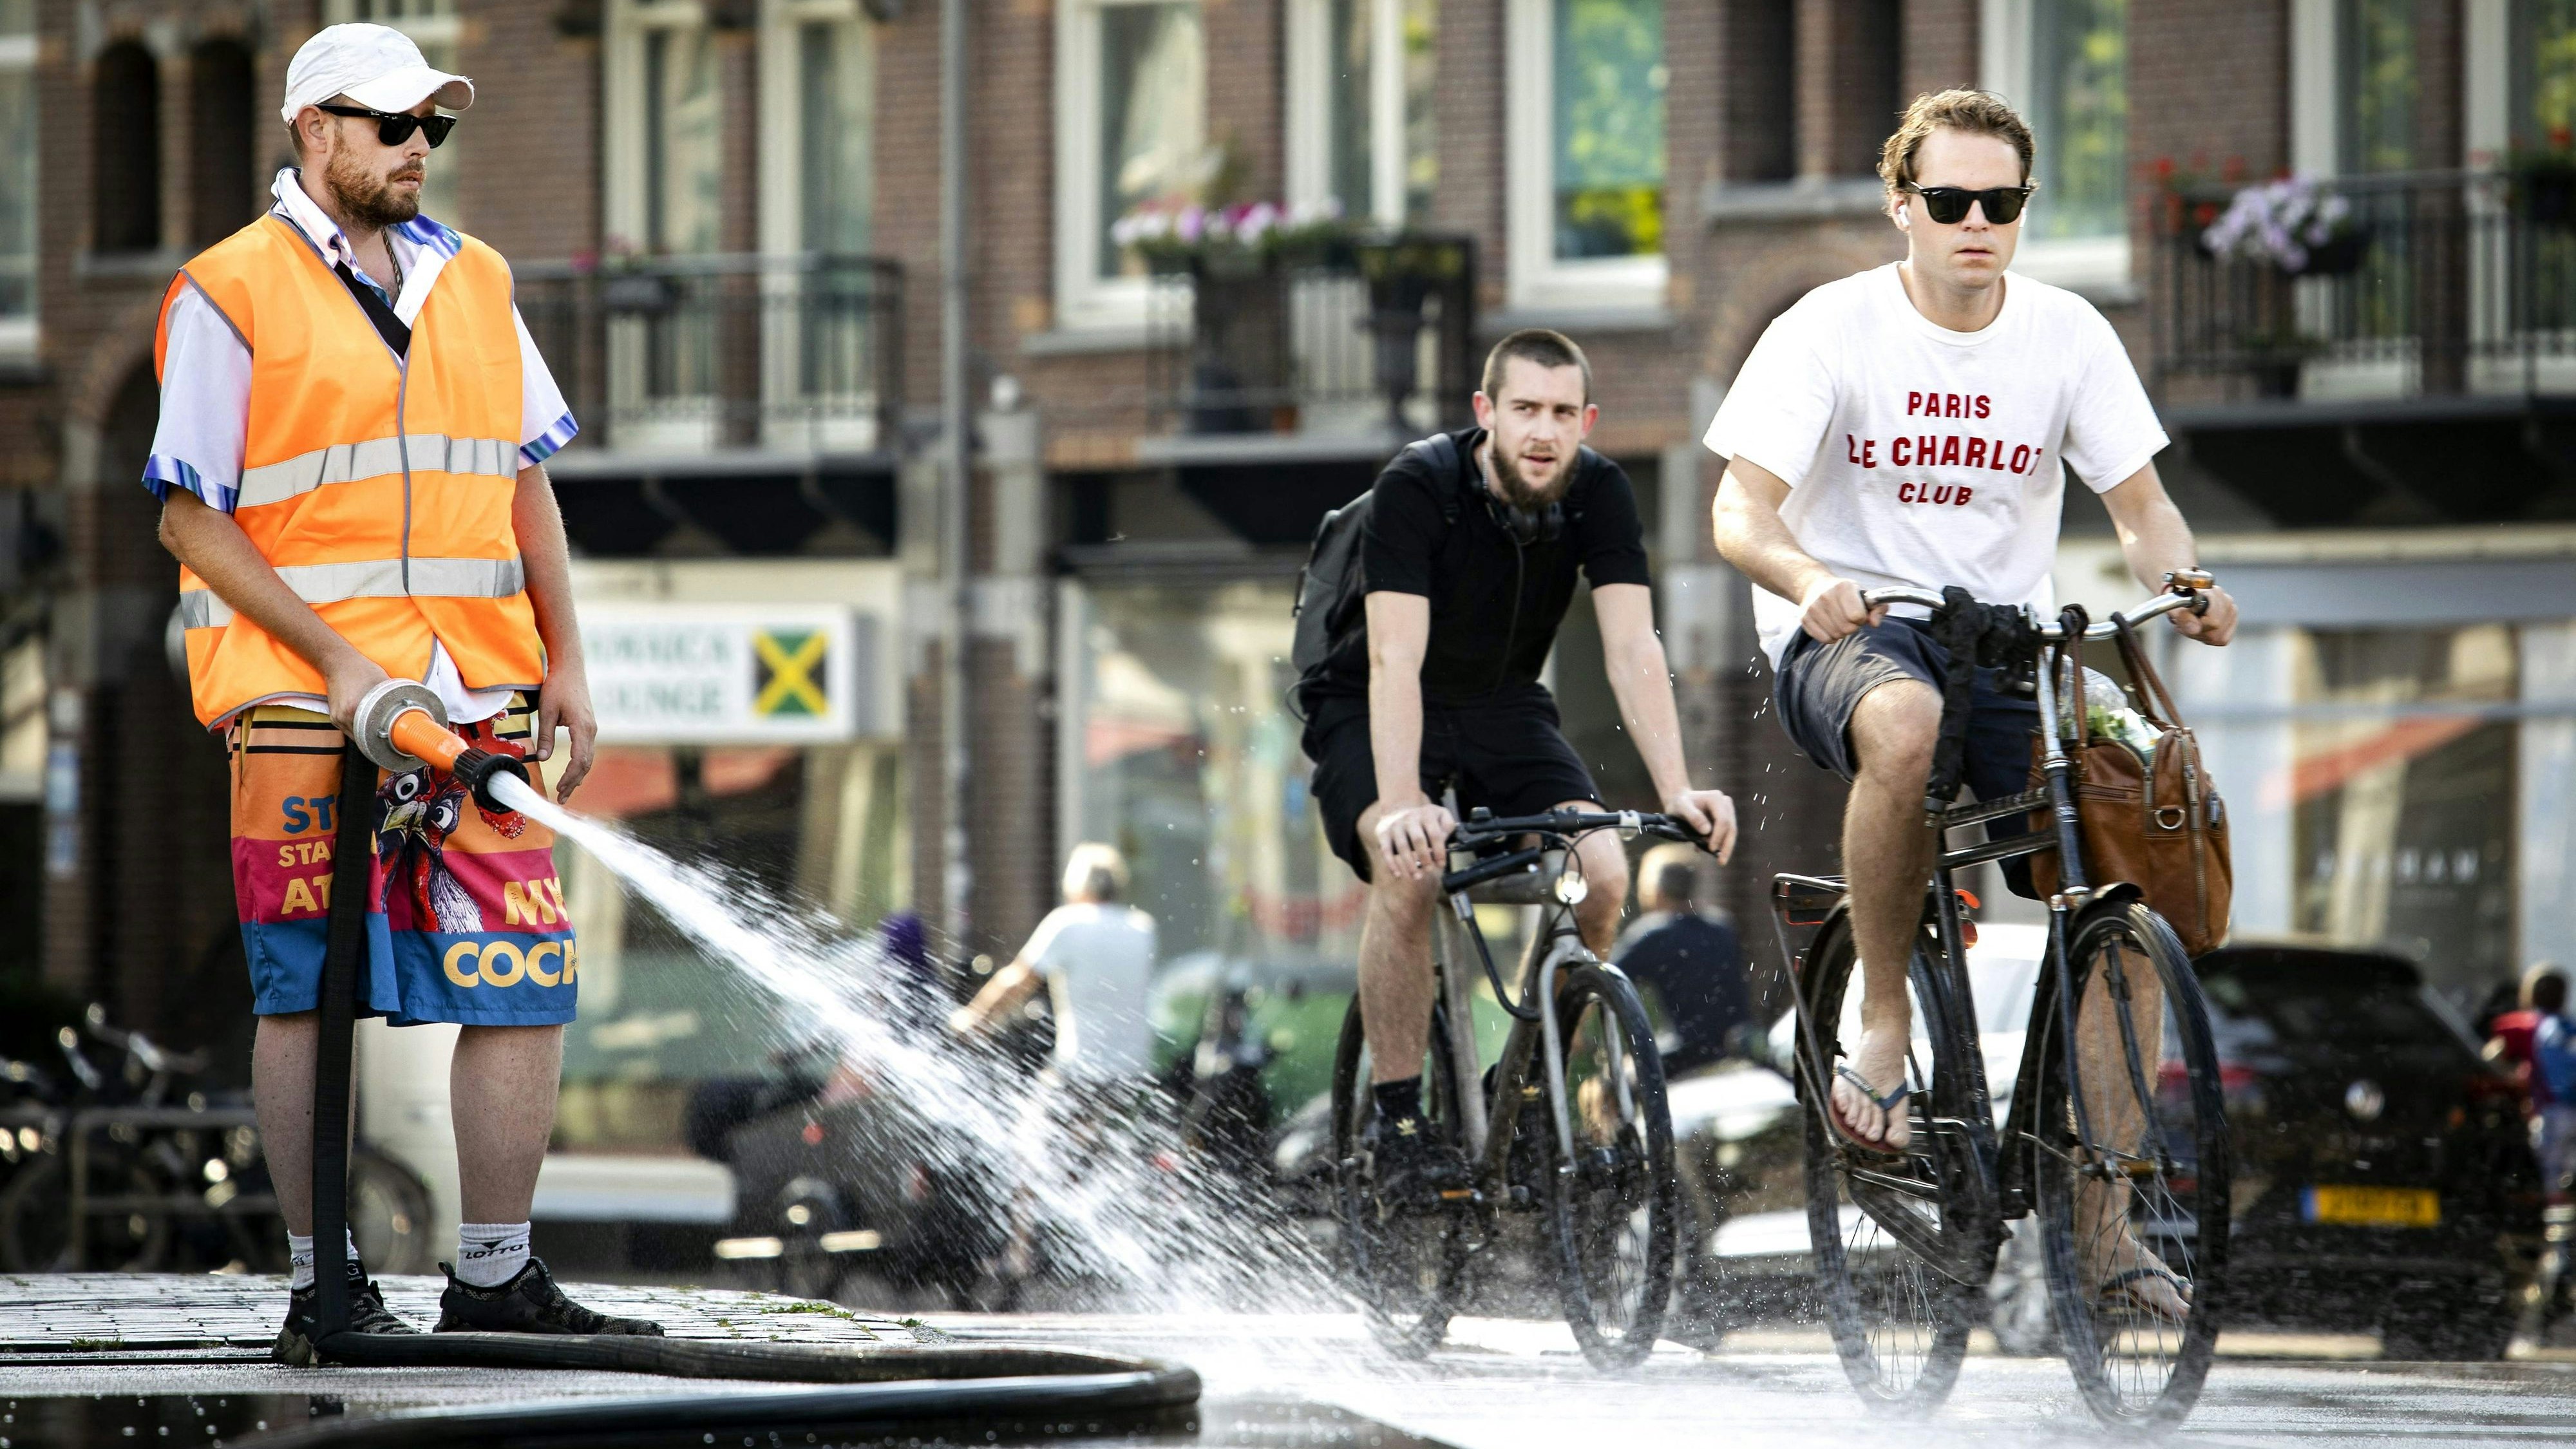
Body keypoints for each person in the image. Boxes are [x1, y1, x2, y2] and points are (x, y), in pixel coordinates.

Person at [148, 24, 656, 1360]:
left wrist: (567, 660)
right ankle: (323, 1283)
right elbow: (192, 518)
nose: (418, 145)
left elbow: (522, 478)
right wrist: (336, 660)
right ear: (313, 128)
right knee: (306, 990)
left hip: (477, 695)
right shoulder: (228, 291)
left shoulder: (476, 279)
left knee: (524, 973)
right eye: (391, 124)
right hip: (304, 706)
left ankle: (494, 1273)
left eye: (434, 123)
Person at [1706, 90, 2239, 1323]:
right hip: (1854, 630)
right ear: (1903, 206)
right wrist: (1808, 579)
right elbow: (1738, 509)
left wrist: (2185, 585)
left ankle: (2103, 1226)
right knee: (1902, 727)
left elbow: (2142, 508)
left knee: (2129, 871)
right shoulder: (1828, 328)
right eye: (1950, 201)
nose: (1977, 224)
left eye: (2001, 203)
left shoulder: (2067, 335)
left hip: (2010, 645)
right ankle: (1883, 1023)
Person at [1298, 328, 1739, 1202]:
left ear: (1587, 421)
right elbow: (1392, 656)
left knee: (1603, 873)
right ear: (1486, 412)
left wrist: (1676, 787)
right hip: (1369, 697)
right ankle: (1399, 1121)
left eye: (1563, 413)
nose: (1543, 430)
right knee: (1410, 868)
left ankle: (1526, 1089)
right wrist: (1402, 802)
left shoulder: (1599, 491)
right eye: (1525, 408)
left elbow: (1632, 648)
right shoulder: (1419, 485)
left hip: (1502, 703)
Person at [950, 844, 1158, 1291]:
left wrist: (973, 1020)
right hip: (1133, 1071)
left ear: (1076, 884)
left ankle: (1021, 1254)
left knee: (1028, 1146)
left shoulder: (1068, 923)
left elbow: (1018, 980)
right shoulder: (1141, 928)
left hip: (1081, 1070)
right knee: (1119, 1158)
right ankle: (1130, 1254)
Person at [1613, 844, 1753, 1078]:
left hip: (1684, 1053)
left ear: (1656, 891)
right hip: (1733, 1049)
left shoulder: (1655, 933)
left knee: (1611, 1082)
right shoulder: (1722, 927)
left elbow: (1609, 983)